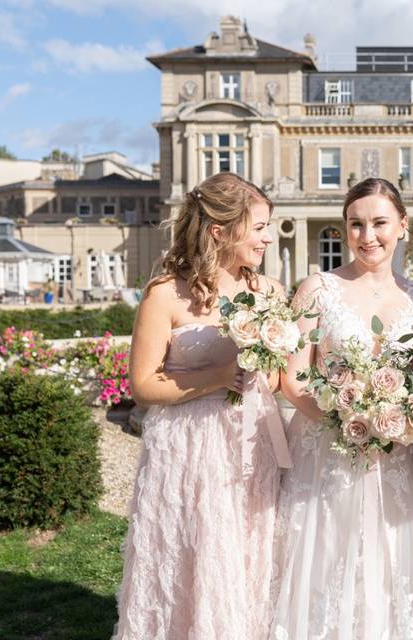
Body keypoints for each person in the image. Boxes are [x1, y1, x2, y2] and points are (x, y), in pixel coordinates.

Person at [114, 172, 287, 639]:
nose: (267, 237)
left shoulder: (268, 293)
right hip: (186, 447)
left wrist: (263, 371)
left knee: (247, 550)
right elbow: (143, 386)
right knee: (188, 552)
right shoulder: (166, 293)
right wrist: (217, 377)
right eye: (258, 227)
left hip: (251, 444)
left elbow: (276, 376)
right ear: (219, 230)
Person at [272, 178, 413, 639]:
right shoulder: (318, 289)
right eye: (355, 225)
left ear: (403, 226)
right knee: (325, 556)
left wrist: (400, 418)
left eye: (379, 223)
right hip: (325, 453)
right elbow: (294, 377)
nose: (367, 236)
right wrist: (349, 422)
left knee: (386, 560)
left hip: (393, 459)